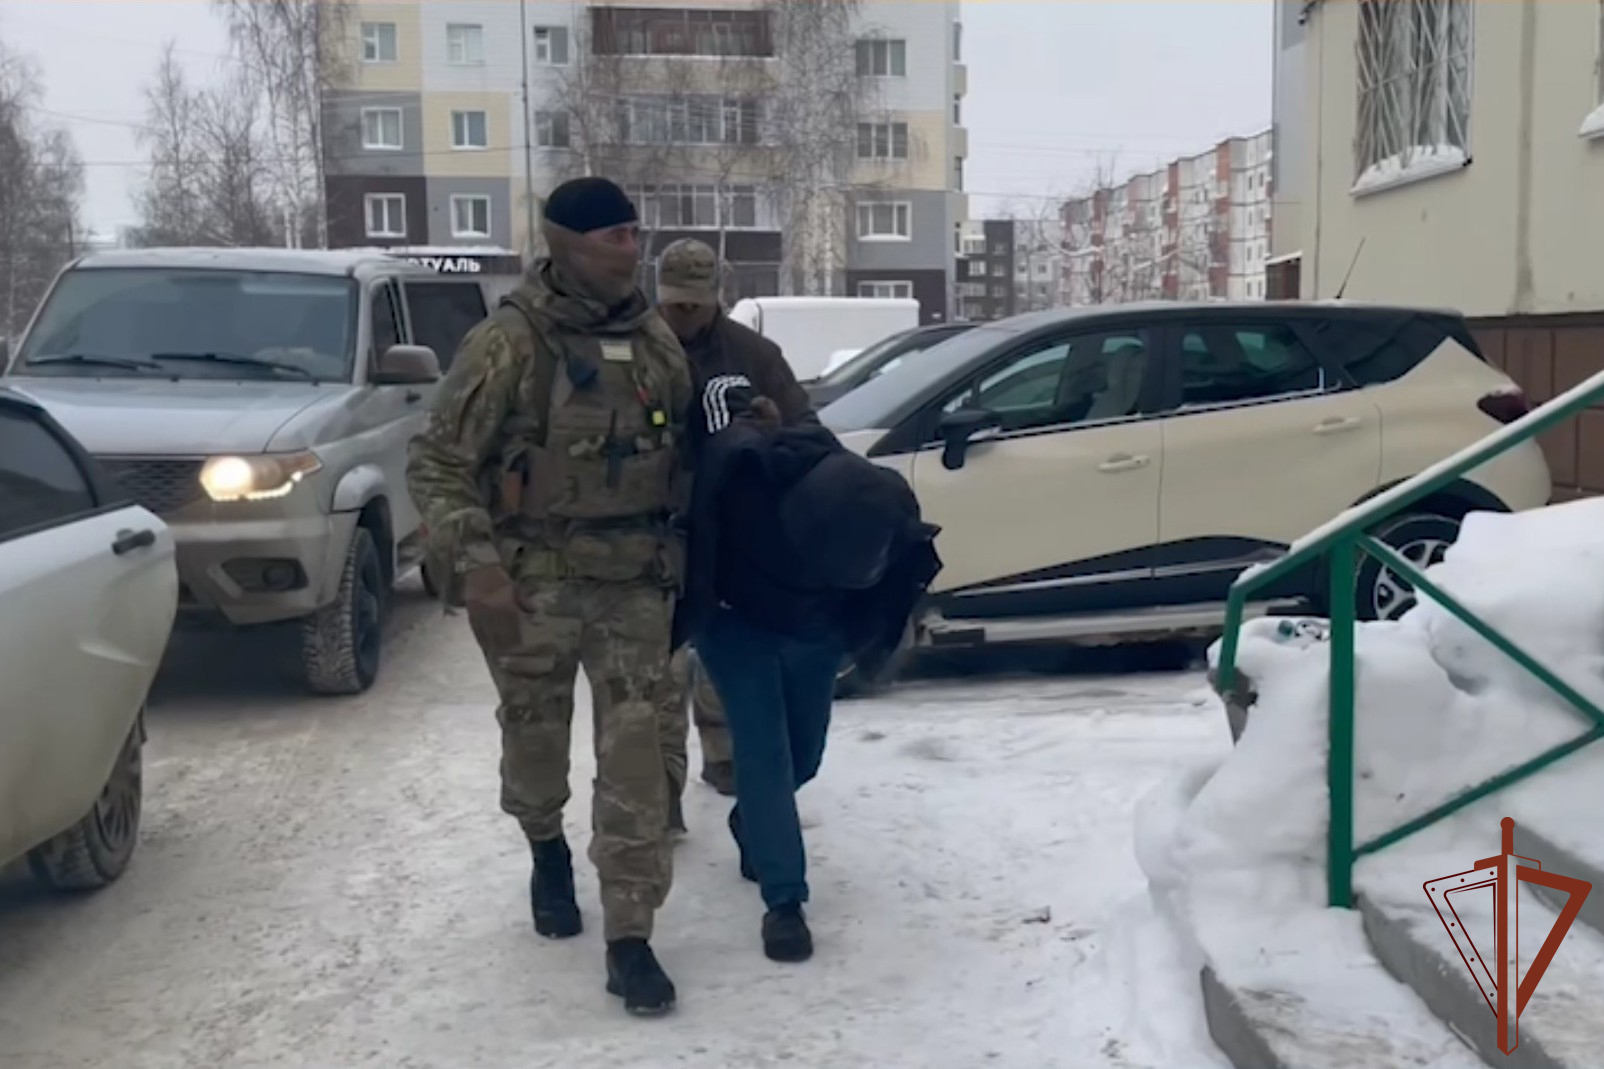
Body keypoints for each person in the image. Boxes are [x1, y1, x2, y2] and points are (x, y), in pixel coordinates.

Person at [406, 177, 692, 1018]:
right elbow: (438, 462)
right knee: (534, 740)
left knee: (636, 753)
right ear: (567, 244)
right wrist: (479, 566)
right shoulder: (509, 341)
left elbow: (683, 451)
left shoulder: (655, 341)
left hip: (632, 581)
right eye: (615, 236)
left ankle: (630, 935)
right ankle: (545, 846)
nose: (632, 250)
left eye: (636, 234)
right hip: (532, 581)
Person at [672, 373, 941, 963]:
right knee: (764, 754)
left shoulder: (877, 506)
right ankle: (784, 903)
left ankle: (755, 819)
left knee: (804, 755)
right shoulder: (743, 490)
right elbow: (698, 546)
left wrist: (861, 636)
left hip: (814, 628)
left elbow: (887, 595)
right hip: (735, 622)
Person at [652, 238, 817, 814]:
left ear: (715, 299)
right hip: (655, 527)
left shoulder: (754, 355)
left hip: (730, 530)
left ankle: (727, 759)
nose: (684, 316)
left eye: (694, 305)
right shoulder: (633, 348)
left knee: (725, 657)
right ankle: (659, 793)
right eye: (674, 304)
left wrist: (774, 429)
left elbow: (808, 433)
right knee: (658, 668)